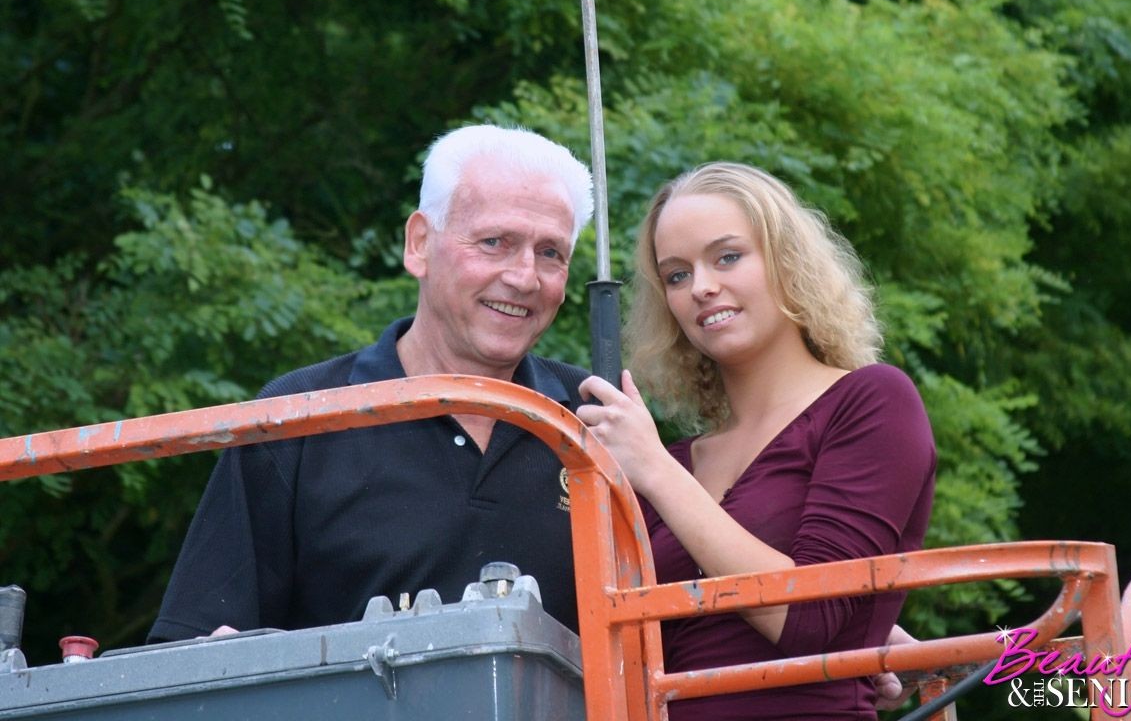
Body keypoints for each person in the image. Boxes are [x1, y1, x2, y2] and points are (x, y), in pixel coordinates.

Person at [148, 124, 594, 641]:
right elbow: (193, 656)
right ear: (419, 244)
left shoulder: (593, 422)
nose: (524, 277)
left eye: (550, 253)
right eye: (495, 242)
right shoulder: (296, 419)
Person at [577, 162, 937, 719]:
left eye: (727, 257)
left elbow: (810, 624)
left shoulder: (871, 402)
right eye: (676, 275)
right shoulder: (670, 463)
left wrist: (653, 469)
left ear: (786, 262)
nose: (701, 287)